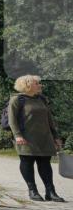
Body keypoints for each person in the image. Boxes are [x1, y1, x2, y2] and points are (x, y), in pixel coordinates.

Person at [9, 75, 65, 203]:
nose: (40, 85)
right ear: (27, 85)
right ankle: (32, 191)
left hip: (45, 137)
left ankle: (51, 192)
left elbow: (49, 119)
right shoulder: (17, 100)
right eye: (37, 83)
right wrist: (17, 135)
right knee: (27, 162)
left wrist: (56, 136)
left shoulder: (42, 99)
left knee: (45, 164)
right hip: (25, 138)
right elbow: (12, 121)